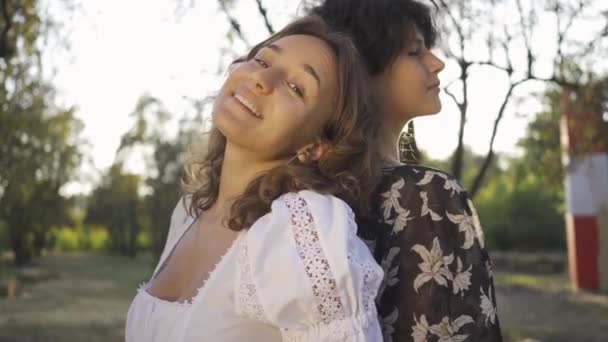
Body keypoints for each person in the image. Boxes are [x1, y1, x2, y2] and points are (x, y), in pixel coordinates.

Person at [125, 15, 386, 341]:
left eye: (296, 87)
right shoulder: (187, 212)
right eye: (262, 59)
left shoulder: (301, 225)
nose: (263, 78)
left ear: (314, 146)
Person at [310, 0, 504, 341]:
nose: (437, 62)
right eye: (415, 52)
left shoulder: (299, 194)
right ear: (361, 70)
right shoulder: (425, 195)